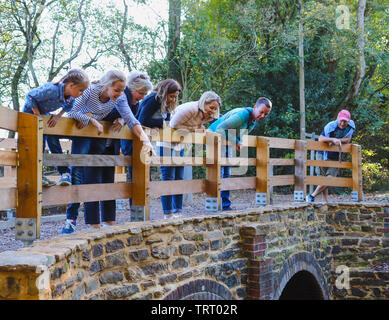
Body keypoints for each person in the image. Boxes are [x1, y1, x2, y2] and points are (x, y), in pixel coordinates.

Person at [61, 70, 154, 233]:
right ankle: (88, 222)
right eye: (140, 92)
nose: (142, 96)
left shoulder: (120, 99)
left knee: (108, 181)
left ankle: (109, 221)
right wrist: (90, 118)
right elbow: (75, 109)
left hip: (111, 142)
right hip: (92, 140)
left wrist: (143, 137)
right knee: (89, 180)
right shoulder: (97, 91)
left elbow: (130, 118)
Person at [22, 68, 90, 187]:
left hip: (44, 115)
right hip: (31, 114)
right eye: (81, 90)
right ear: (71, 85)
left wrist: (58, 116)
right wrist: (37, 116)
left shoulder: (71, 97)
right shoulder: (52, 90)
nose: (82, 93)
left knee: (41, 145)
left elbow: (69, 106)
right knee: (33, 145)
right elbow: (30, 97)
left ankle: (39, 175)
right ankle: (33, 176)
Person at [208, 97, 272, 211]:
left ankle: (225, 205)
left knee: (226, 171)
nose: (262, 116)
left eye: (266, 114)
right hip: (214, 137)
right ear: (254, 108)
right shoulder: (243, 114)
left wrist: (239, 141)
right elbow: (220, 128)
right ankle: (214, 205)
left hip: (227, 140)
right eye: (261, 112)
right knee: (219, 171)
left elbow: (240, 133)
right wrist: (237, 141)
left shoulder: (253, 121)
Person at [167, 91, 221, 218]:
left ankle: (178, 211)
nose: (213, 111)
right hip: (167, 138)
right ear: (203, 104)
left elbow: (194, 124)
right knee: (168, 176)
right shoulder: (191, 109)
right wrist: (195, 130)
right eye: (211, 108)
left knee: (179, 176)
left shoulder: (207, 115)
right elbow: (173, 124)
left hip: (180, 141)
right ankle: (167, 212)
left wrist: (200, 127)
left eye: (215, 108)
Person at [135, 79, 182, 219]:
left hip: (150, 139)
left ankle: (148, 215)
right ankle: (139, 216)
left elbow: (166, 122)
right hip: (137, 139)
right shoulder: (154, 99)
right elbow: (141, 119)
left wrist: (159, 125)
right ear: (165, 92)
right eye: (171, 96)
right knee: (140, 177)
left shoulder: (166, 104)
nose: (173, 99)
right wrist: (158, 124)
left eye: (175, 97)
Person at [112, 71, 153, 208]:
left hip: (115, 138)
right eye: (140, 93)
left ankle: (138, 209)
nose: (142, 97)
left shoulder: (134, 102)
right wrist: (146, 140)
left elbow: (128, 116)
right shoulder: (122, 96)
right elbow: (131, 119)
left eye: (144, 94)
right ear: (132, 88)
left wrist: (121, 119)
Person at [306, 109, 355, 203]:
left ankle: (312, 196)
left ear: (348, 121)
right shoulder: (330, 126)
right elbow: (321, 139)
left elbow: (348, 139)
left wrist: (338, 140)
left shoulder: (350, 128)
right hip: (322, 154)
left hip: (336, 156)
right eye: (341, 120)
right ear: (338, 118)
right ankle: (325, 201)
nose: (343, 123)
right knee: (323, 178)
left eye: (345, 121)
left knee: (330, 178)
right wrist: (332, 140)